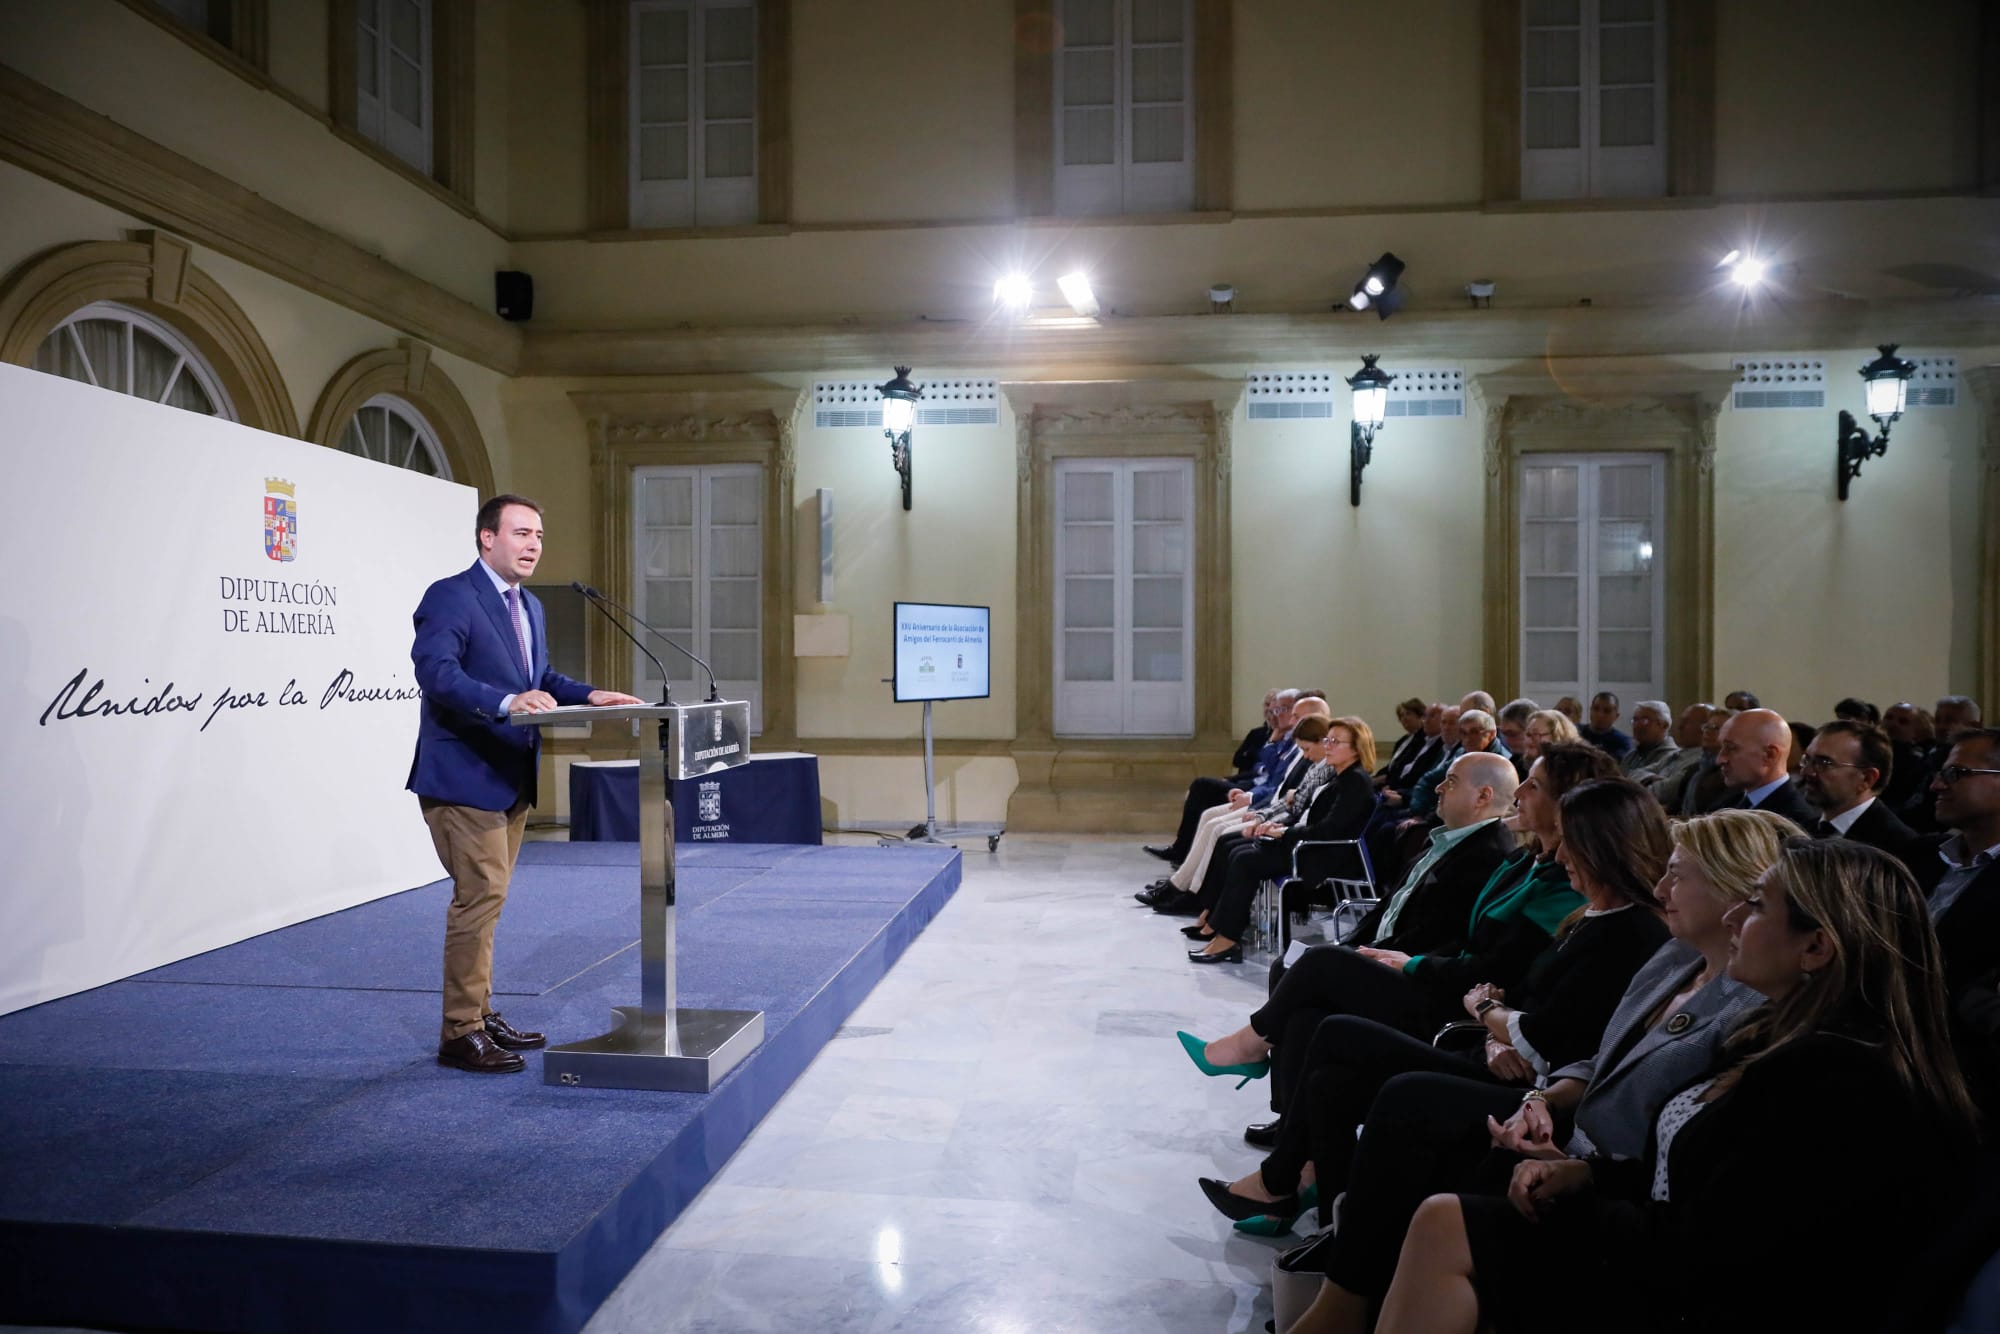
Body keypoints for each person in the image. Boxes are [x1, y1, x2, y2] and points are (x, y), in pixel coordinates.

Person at [1364, 839, 1978, 1334]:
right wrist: (1587, 1176)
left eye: (1756, 906)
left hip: (1698, 1304)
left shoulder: (1835, 1078)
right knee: (1459, 1186)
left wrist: (1589, 1197)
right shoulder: (1786, 1038)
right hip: (1674, 1262)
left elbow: (1715, 1250)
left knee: (1448, 1219)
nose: (1735, 916)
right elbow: (1705, 1184)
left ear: (1816, 947)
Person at [1273, 808, 1784, 1330]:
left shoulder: (1742, 1004)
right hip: (1553, 1110)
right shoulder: (1676, 958)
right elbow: (1601, 1056)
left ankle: (1332, 1262)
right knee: (1344, 1071)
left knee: (1403, 1097)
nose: (1660, 887)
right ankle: (1337, 1259)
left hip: (1607, 1174)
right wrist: (1541, 1098)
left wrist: (1572, 1158)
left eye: (1677, 875)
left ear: (1730, 888)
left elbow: (1671, 1151)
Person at [1197, 779, 1672, 1229]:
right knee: (1323, 1053)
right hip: (1494, 1045)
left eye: (1573, 843)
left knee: (1335, 1018)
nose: (1561, 854)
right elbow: (1524, 996)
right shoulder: (1584, 912)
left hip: (1528, 1081)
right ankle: (1323, 1213)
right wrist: (1496, 1026)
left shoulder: (1628, 931)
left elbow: (1544, 1029)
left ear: (1604, 847)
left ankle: (1285, 1177)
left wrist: (1485, 1012)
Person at [409, 494, 645, 1074]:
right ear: (487, 538)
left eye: (538, 535)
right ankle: (460, 1032)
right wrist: (505, 701)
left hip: (510, 774)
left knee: (490, 899)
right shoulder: (450, 595)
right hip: (464, 775)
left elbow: (540, 678)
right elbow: (436, 673)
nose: (534, 545)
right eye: (521, 533)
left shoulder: (529, 605)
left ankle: (481, 1013)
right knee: (479, 898)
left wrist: (590, 694)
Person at [1186, 717, 1377, 963]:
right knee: (1237, 851)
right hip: (1308, 845)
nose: (1327, 746)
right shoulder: (1341, 775)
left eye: (1335, 742)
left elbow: (1328, 831)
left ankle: (1227, 938)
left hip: (1322, 854)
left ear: (1356, 748)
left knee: (1245, 860)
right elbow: (1312, 820)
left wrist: (1284, 832)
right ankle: (1223, 931)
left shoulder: (1355, 782)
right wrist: (1280, 828)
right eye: (1327, 740)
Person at [1797, 719, 1920, 870]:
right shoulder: (1802, 830)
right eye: (1807, 760)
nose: (1807, 772)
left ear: (1867, 778)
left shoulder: (1897, 847)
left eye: (1824, 763)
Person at [1713, 708, 1816, 826]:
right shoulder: (1727, 804)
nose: (1720, 759)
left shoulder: (1796, 822)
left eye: (1731, 748)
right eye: (1721, 747)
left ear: (1769, 755)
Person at [1617, 700, 1676, 778]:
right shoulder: (1630, 756)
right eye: (1635, 720)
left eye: (1644, 720)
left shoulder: (1672, 758)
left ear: (1664, 725)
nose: (1637, 725)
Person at [1578, 692, 1633, 760]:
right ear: (1591, 710)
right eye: (1596, 708)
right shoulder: (1575, 731)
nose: (1600, 715)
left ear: (1616, 716)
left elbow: (1611, 764)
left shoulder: (1623, 741)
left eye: (1607, 711)